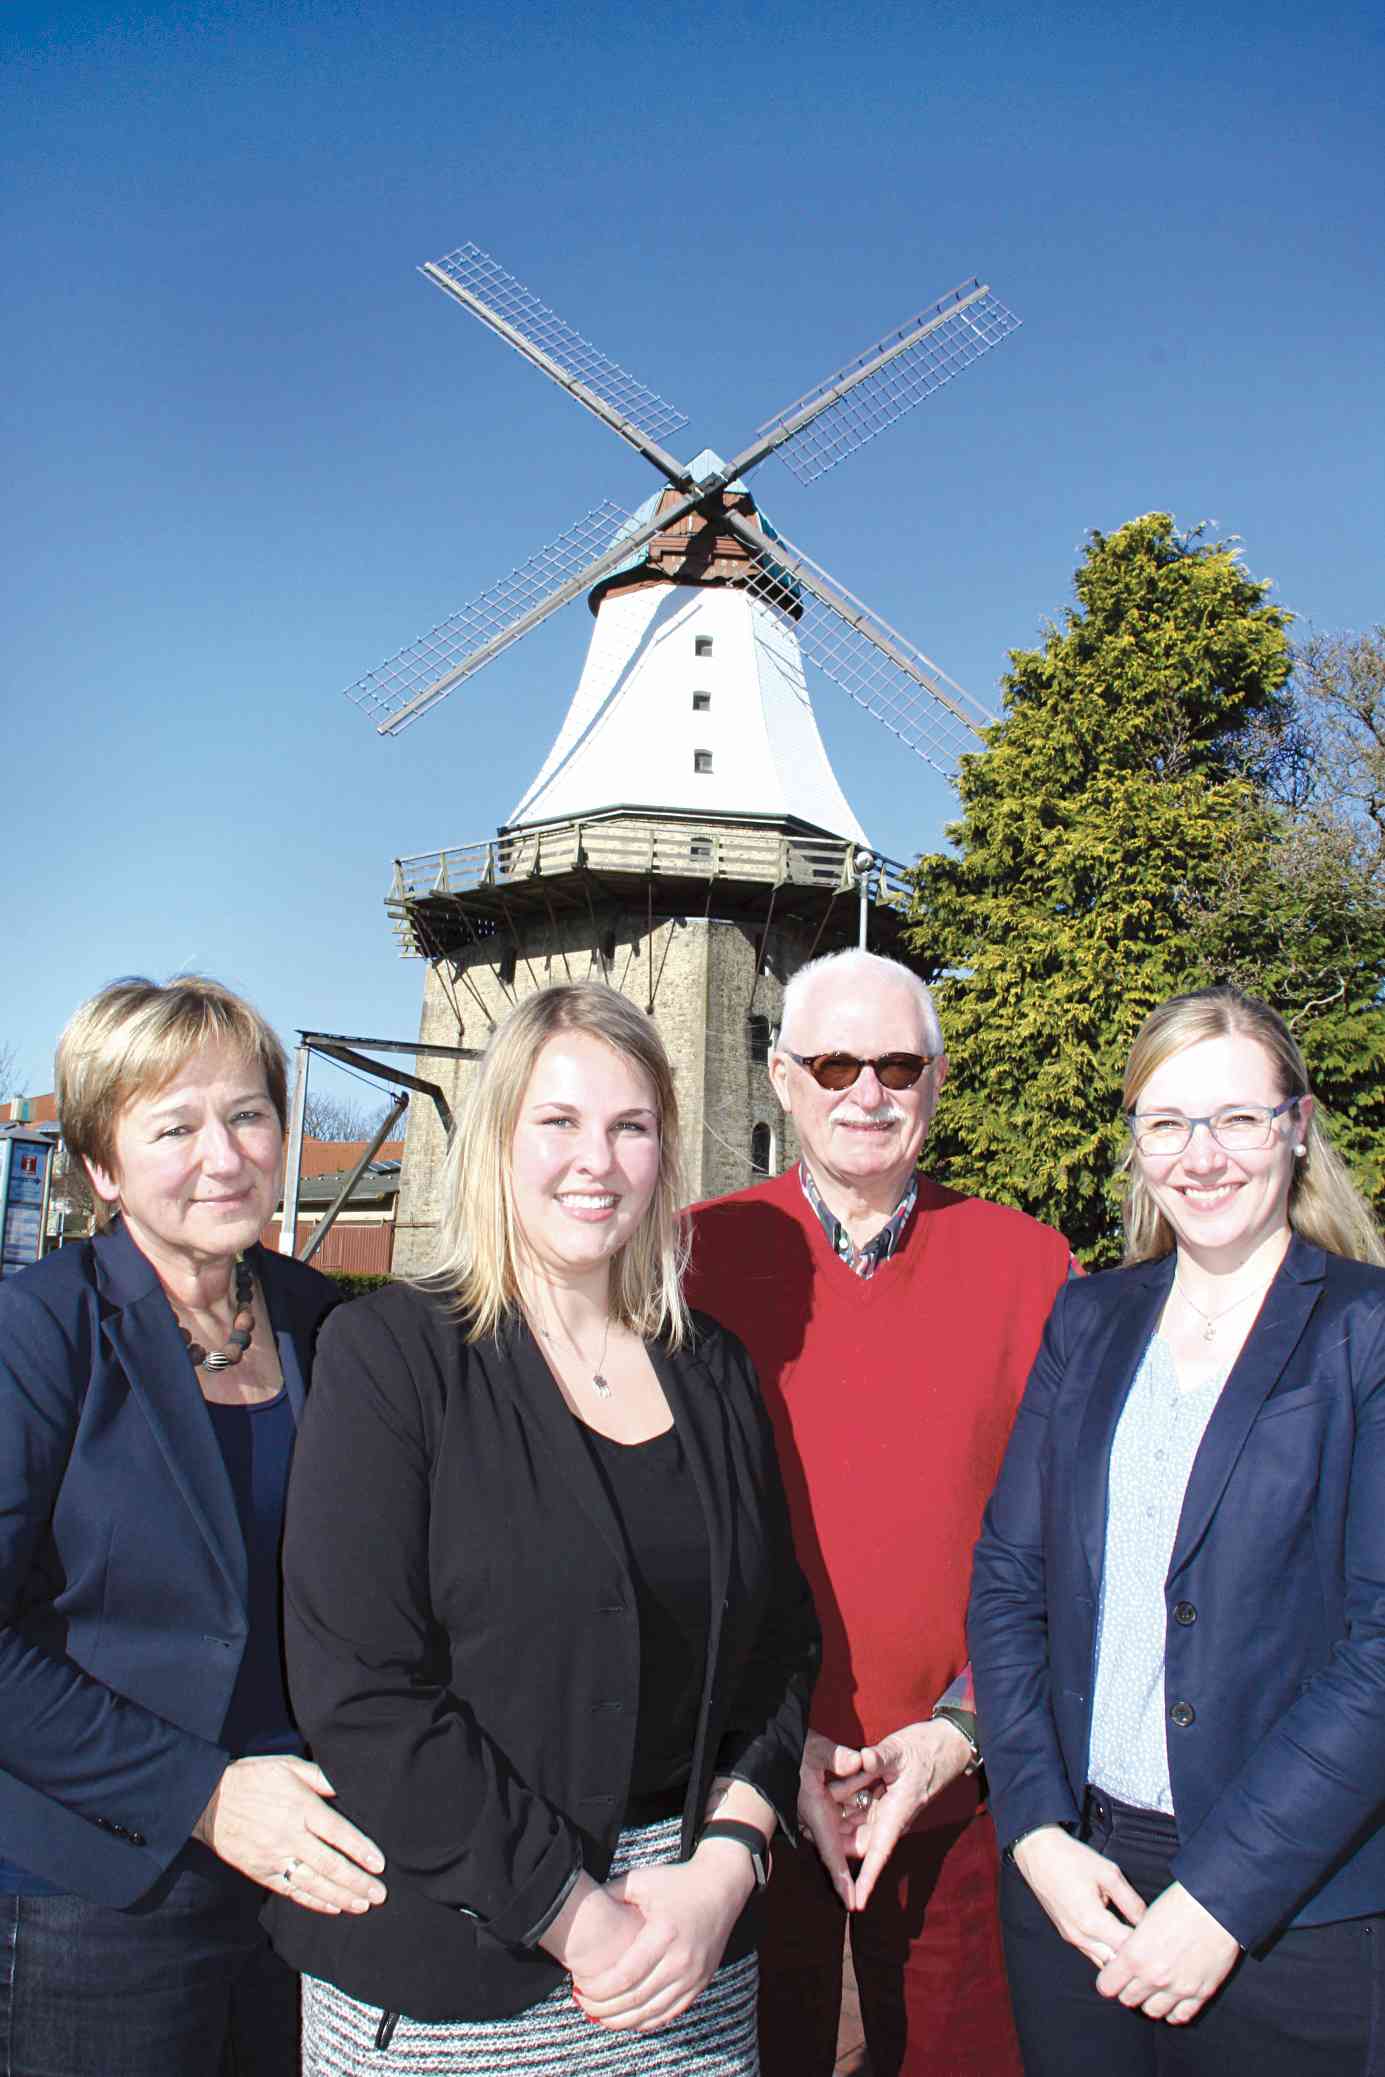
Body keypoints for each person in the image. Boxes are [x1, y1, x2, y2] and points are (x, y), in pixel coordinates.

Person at [267, 981, 820, 2074]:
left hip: (684, 1960)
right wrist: (573, 1912)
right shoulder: (392, 1360)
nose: (595, 1161)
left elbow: (779, 1647)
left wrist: (726, 1866)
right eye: (558, 1124)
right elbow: (365, 1694)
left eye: (629, 1127)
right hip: (461, 1971)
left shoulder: (709, 1369)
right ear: (498, 1142)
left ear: (664, 1151)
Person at [969, 984, 1385, 2075]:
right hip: (1080, 1890)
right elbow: (1011, 1578)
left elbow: (1379, 1651)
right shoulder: (1088, 1319)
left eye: (1235, 1119)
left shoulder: (1364, 1333)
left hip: (1290, 1914)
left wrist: (1220, 1897)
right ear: (1137, 1145)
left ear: (1294, 1128)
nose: (1200, 1157)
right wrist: (1034, 1832)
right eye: (1166, 1124)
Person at [685, 948, 1072, 2077]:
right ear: (779, 1077)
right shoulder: (694, 1257)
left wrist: (960, 1732)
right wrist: (767, 1743)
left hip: (962, 1781)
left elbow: (1065, 1530)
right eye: (835, 1062)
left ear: (936, 1081)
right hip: (745, 1777)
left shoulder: (1029, 1264)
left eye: (897, 1064)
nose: (867, 1091)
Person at [0, 975, 388, 2077]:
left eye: (249, 1114)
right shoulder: (41, 1335)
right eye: (173, 1125)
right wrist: (205, 1795)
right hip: (98, 1895)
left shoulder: (322, 1321)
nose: (223, 1153)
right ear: (103, 1166)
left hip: (304, 1879)